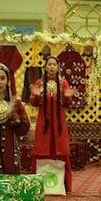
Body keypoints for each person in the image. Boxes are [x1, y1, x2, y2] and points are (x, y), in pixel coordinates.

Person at [29, 55, 75, 193]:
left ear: (58, 67)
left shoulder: (63, 83)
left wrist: (67, 97)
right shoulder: (39, 83)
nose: (52, 67)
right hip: (44, 123)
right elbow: (34, 102)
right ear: (45, 66)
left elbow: (67, 104)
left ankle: (64, 186)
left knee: (60, 149)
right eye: (49, 64)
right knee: (42, 148)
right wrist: (36, 95)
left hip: (59, 123)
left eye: (54, 64)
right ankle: (38, 185)